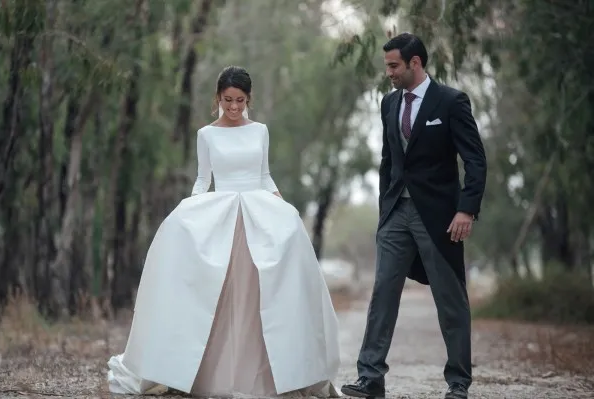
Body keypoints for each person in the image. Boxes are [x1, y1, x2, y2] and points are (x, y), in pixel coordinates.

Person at [107, 66, 341, 398]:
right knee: (218, 292)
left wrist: (284, 208)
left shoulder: (260, 130)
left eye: (240, 101)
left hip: (257, 214)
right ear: (218, 97)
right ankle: (206, 373)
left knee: (258, 293)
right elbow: (204, 181)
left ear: (249, 99)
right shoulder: (207, 134)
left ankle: (265, 375)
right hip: (222, 215)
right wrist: (188, 214)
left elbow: (265, 175)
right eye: (228, 100)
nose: (233, 108)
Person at [341, 33, 487, 399]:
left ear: (415, 63)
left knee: (450, 298)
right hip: (395, 215)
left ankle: (458, 382)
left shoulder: (451, 102)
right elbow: (388, 161)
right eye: (387, 65)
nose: (388, 72)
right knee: (382, 293)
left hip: (439, 217)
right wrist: (383, 211)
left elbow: (475, 160)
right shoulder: (389, 104)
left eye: (394, 66)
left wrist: (466, 208)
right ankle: (370, 377)